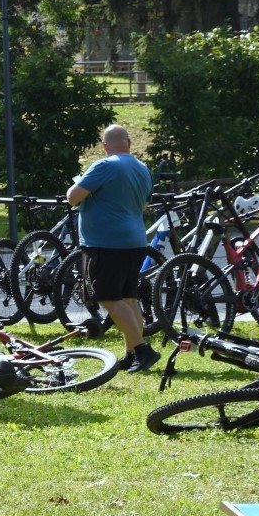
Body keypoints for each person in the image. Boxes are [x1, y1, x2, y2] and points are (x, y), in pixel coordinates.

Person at [69, 123, 156, 371]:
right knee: (128, 298)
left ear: (104, 145)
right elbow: (144, 205)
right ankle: (132, 353)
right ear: (129, 142)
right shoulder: (142, 168)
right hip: (135, 241)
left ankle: (142, 350)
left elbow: (72, 197)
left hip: (106, 243)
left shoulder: (104, 166)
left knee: (108, 298)